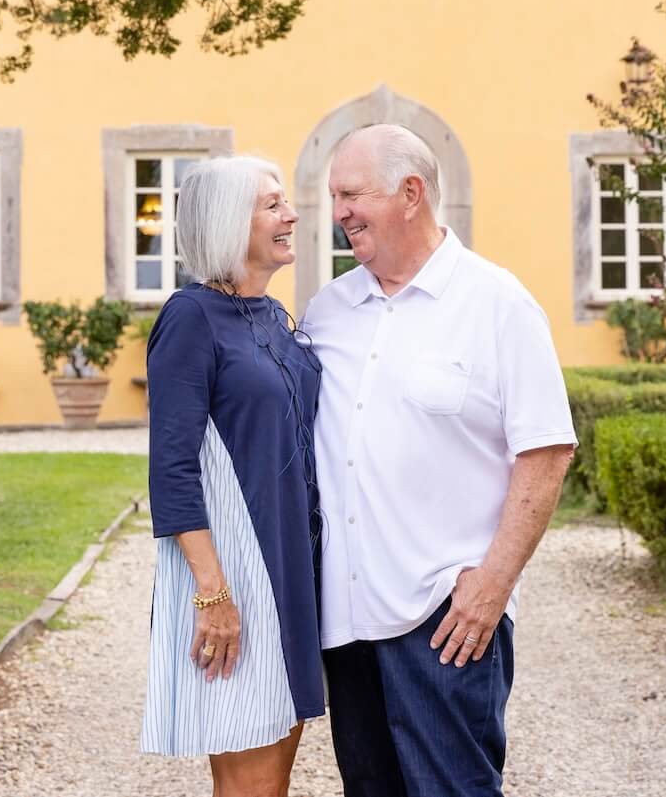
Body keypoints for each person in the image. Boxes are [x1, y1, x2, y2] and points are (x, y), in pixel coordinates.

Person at [301, 123, 577, 797]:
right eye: (334, 196)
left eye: (351, 194)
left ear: (410, 193)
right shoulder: (328, 310)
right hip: (347, 621)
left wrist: (493, 585)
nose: (338, 213)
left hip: (447, 616)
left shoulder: (497, 304)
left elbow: (546, 451)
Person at [141, 154, 324, 796]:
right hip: (238, 572)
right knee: (252, 786)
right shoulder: (190, 317)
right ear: (227, 222)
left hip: (293, 565)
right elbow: (172, 468)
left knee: (274, 780)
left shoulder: (273, 315)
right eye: (272, 205)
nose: (291, 215)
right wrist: (212, 593)